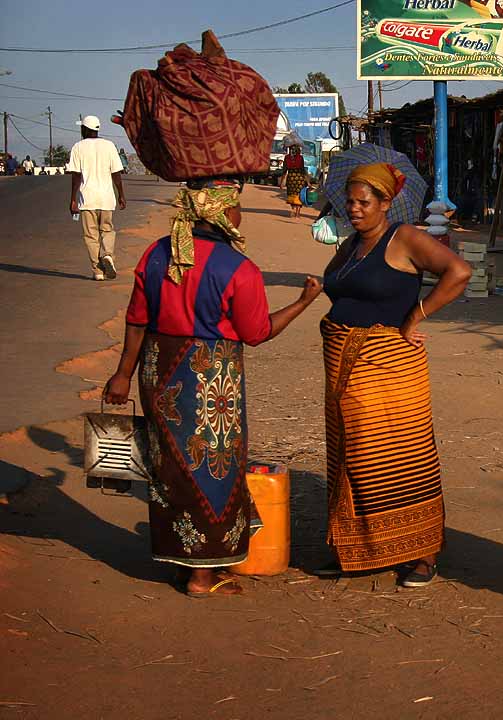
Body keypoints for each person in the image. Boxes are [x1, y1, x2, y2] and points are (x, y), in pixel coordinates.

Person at [103, 178, 322, 596]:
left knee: (168, 470)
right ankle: (202, 574)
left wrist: (122, 374)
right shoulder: (237, 268)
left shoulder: (157, 253)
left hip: (158, 372)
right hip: (209, 380)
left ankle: (180, 559)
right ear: (222, 215)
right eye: (236, 208)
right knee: (212, 473)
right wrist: (303, 302)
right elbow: (256, 332)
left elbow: (137, 318)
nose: (241, 215)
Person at [318, 162, 471, 586]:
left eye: (364, 202)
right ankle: (361, 549)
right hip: (343, 367)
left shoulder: (404, 238)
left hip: (388, 366)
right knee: (354, 458)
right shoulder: (350, 246)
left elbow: (459, 272)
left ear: (386, 203)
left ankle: (420, 555)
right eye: (349, 201)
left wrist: (416, 317)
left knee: (400, 458)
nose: (354, 209)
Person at [66, 116, 126, 281]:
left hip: (88, 200)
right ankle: (108, 255)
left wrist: (72, 199)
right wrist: (121, 194)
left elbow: (76, 176)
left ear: (84, 129)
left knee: (91, 236)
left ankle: (98, 271)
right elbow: (116, 173)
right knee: (107, 230)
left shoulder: (78, 147)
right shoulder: (109, 146)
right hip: (106, 198)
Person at [284, 144, 306, 218]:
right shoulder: (300, 158)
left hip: (291, 179)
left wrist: (281, 183)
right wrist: (307, 181)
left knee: (291, 195)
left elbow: (284, 170)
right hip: (299, 179)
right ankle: (297, 214)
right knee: (299, 196)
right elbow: (303, 170)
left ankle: (293, 210)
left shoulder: (287, 158)